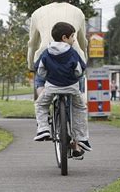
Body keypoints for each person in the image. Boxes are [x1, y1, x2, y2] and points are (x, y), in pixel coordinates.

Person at [33, 22, 92, 159]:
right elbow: (78, 71)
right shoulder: (72, 53)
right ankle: (82, 138)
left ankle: (43, 129)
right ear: (65, 38)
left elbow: (40, 70)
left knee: (41, 105)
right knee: (80, 108)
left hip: (52, 87)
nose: (74, 39)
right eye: (72, 37)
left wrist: (49, 76)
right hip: (71, 88)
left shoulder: (46, 52)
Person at [28, 0, 88, 96]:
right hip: (72, 58)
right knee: (78, 82)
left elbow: (32, 44)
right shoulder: (78, 12)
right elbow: (82, 42)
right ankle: (78, 105)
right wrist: (84, 59)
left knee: (40, 82)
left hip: (46, 59)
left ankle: (43, 106)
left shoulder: (37, 13)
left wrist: (31, 65)